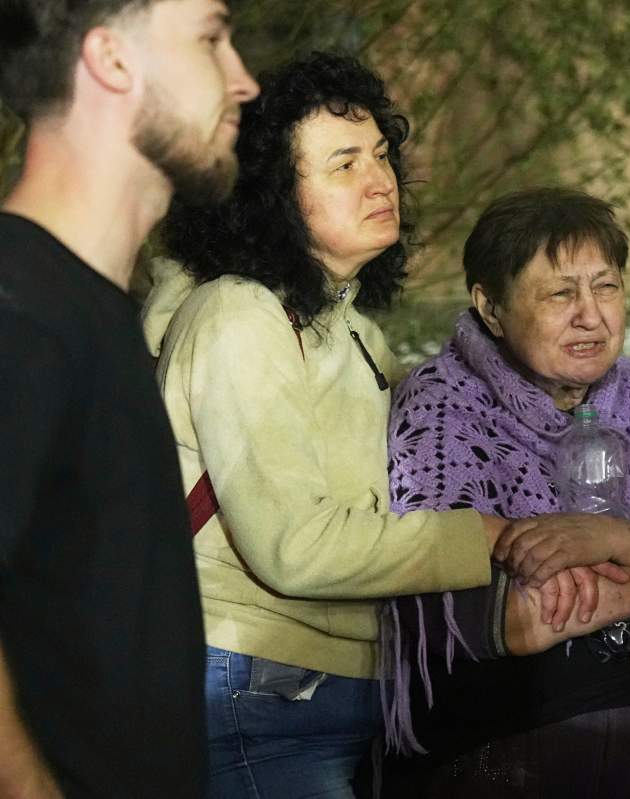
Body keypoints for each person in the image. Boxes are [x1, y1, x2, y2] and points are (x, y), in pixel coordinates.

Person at [142, 52, 524, 798]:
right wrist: (484, 536)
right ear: (272, 195)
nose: (381, 180)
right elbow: (297, 547)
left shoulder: (349, 331)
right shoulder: (238, 315)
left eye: (381, 155)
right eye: (343, 163)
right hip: (257, 692)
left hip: (323, 690)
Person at [382, 187, 630, 799]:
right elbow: (455, 607)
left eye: (605, 287)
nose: (592, 315)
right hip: (502, 758)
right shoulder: (440, 408)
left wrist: (614, 539)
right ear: (492, 307)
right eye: (561, 293)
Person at [0, 1, 258, 796]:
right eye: (212, 38)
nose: (244, 80)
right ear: (111, 61)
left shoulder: (92, 311)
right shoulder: (19, 309)